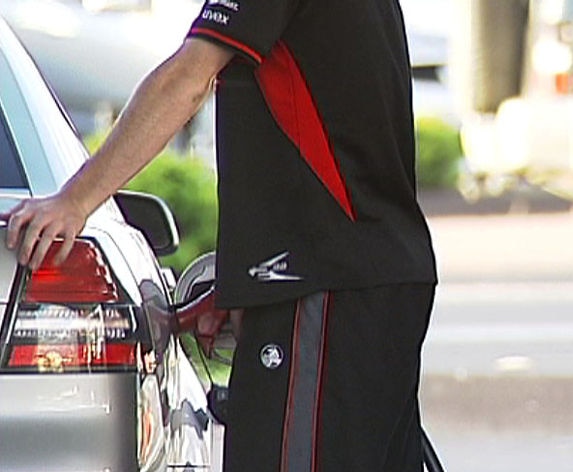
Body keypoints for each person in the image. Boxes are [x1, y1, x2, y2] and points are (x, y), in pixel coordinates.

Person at [2, 0, 438, 470]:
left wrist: (74, 201)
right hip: (373, 279)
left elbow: (188, 80)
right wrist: (246, 279)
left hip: (324, 286)